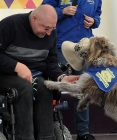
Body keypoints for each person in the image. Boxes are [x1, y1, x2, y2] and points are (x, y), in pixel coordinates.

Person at [0, 5, 79, 140]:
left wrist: (62, 77)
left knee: (45, 86)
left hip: (34, 75)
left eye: (52, 29)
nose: (48, 33)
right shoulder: (10, 25)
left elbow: (51, 62)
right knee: (24, 87)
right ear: (34, 18)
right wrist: (17, 66)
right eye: (46, 28)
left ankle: (46, 137)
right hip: (6, 75)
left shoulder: (50, 33)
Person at [41, 1, 102, 140]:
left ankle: (83, 133)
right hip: (60, 46)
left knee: (83, 90)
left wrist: (94, 22)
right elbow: (43, 12)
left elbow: (98, 15)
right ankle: (49, 127)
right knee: (54, 86)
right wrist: (62, 12)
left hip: (82, 49)